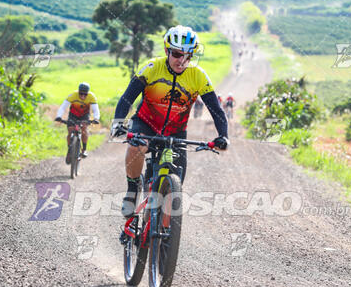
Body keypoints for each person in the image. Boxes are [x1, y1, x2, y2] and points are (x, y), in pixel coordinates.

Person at [112, 25, 229, 217]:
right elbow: (127, 98)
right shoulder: (152, 68)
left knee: (176, 183)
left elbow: (216, 110)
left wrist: (223, 135)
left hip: (175, 132)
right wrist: (117, 123)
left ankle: (165, 236)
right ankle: (132, 191)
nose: (181, 61)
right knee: (136, 148)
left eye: (188, 56)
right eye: (176, 54)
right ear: (167, 50)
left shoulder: (198, 76)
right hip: (145, 124)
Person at [55, 82, 100, 162]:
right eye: (81, 94)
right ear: (78, 92)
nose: (83, 96)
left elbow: (96, 110)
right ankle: (69, 151)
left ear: (87, 93)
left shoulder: (91, 97)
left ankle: (84, 150)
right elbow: (63, 107)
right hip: (73, 115)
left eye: (85, 94)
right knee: (70, 131)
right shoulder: (73, 95)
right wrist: (59, 116)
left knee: (84, 129)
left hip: (84, 115)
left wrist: (96, 118)